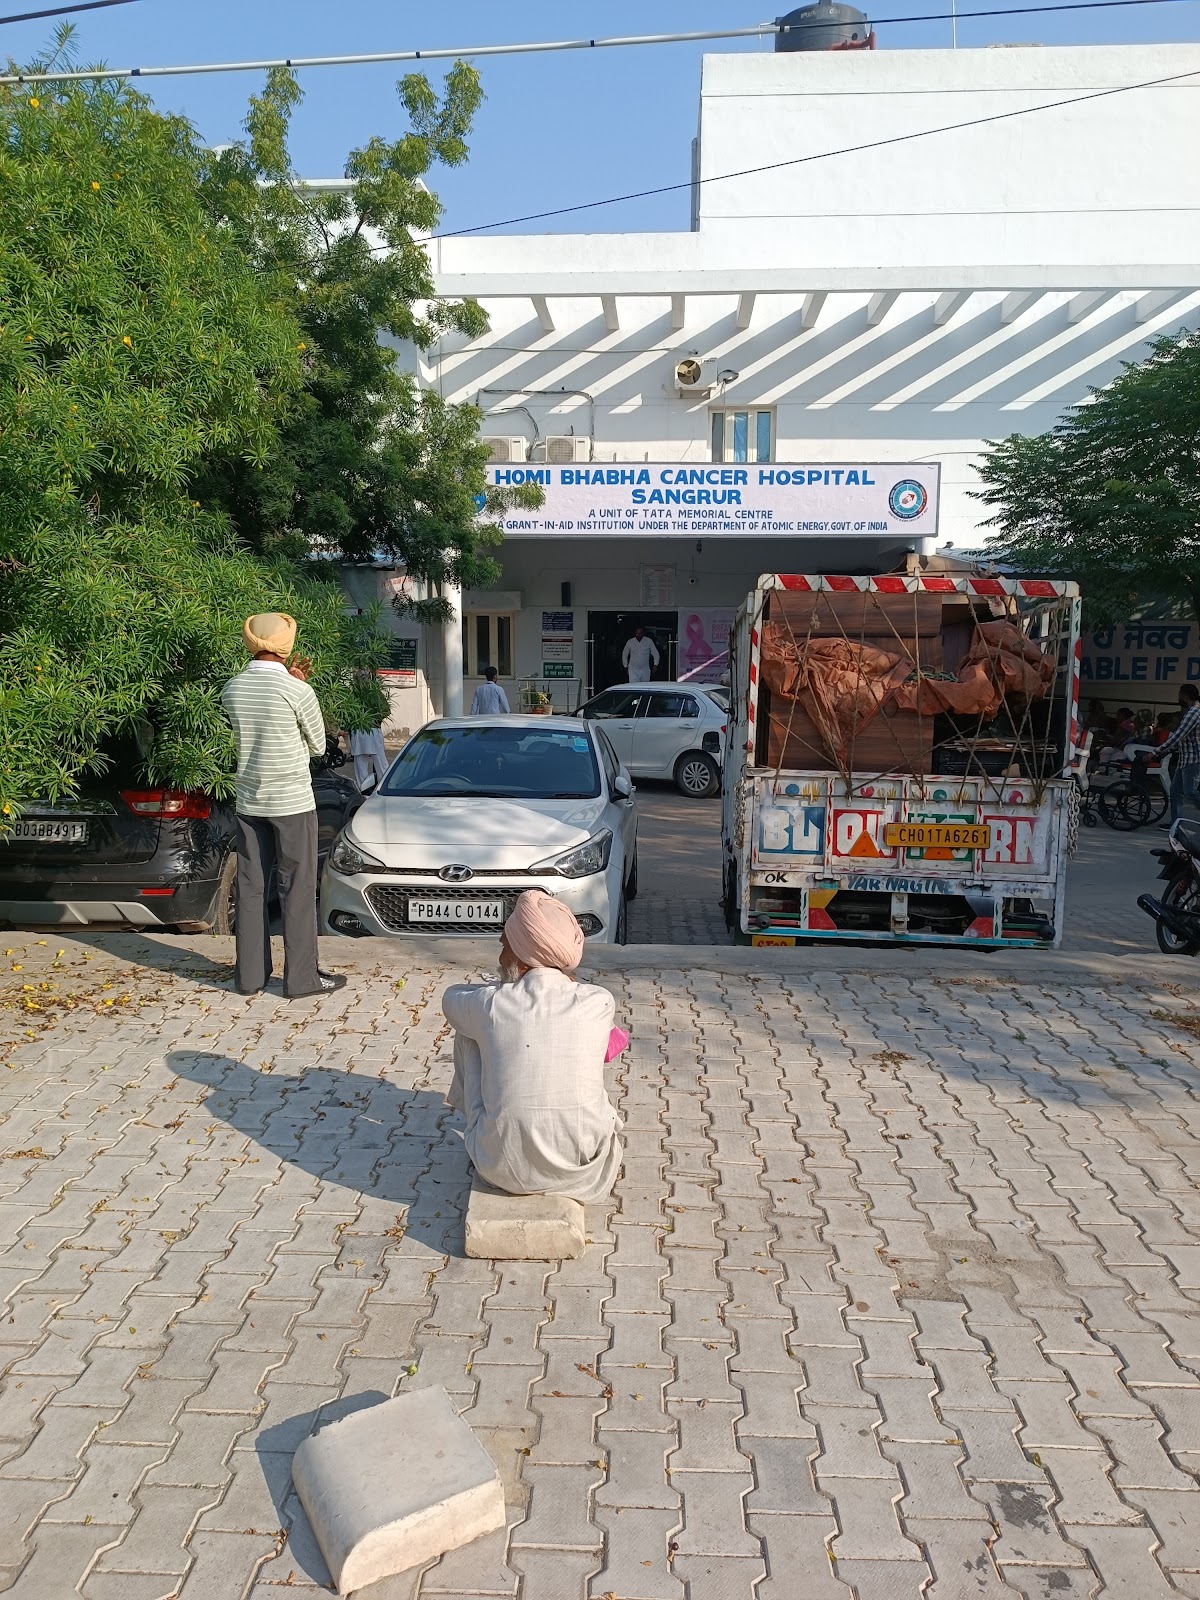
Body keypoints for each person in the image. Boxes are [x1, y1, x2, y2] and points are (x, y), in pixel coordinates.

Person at [441, 890, 623, 1204]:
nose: (500, 958)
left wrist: (496, 990)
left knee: (468, 1031)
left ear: (522, 954)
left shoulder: (490, 1003)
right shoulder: (599, 1000)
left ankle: (481, 1127)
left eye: (504, 945)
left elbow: (450, 998)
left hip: (500, 1168)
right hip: (584, 1170)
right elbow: (613, 1045)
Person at [220, 613, 346, 999]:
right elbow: (318, 746)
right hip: (291, 801)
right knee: (297, 886)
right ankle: (302, 979)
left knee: (251, 885)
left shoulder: (232, 688)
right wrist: (297, 685)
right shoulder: (297, 692)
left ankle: (250, 977)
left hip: (249, 799)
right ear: (286, 643)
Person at [1158, 683, 1200, 827]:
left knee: (1191, 793)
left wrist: (1155, 752)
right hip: (1185, 759)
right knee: (1175, 792)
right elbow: (1181, 739)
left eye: (1179, 694)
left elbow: (1178, 736)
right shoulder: (1191, 711)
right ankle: (1177, 824)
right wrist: (1167, 750)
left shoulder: (1193, 713)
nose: (1178, 697)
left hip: (1193, 760)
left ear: (1185, 696)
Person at [349, 723, 389, 790]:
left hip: (365, 729)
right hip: (361, 729)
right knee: (380, 764)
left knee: (362, 764)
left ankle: (365, 790)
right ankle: (385, 786)